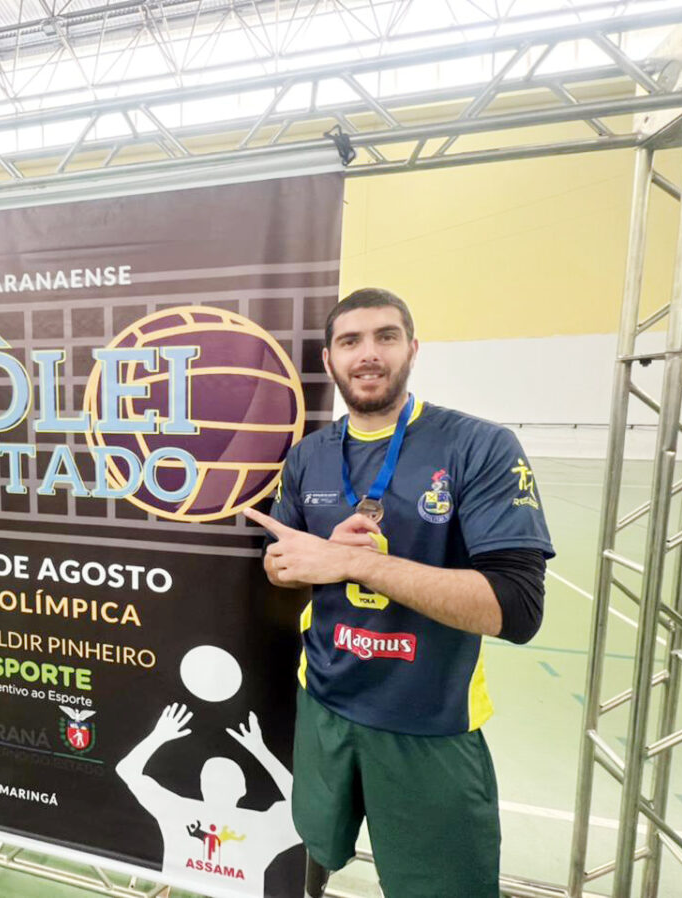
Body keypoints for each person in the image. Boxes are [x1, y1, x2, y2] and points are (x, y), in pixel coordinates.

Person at [243, 287, 554, 898]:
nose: (368, 354)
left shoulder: (479, 447)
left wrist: (355, 565)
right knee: (316, 847)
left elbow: (516, 608)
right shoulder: (306, 457)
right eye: (350, 341)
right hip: (324, 704)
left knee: (439, 887)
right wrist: (294, 567)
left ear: (412, 348)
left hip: (429, 719)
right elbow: (283, 574)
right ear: (330, 360)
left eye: (385, 337)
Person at [116, 703, 301, 896]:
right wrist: (158, 736)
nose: (218, 783)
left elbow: (302, 807)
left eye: (225, 779)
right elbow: (126, 770)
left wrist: (260, 750)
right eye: (212, 777)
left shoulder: (260, 823)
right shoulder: (179, 809)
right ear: (202, 784)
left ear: (242, 788)